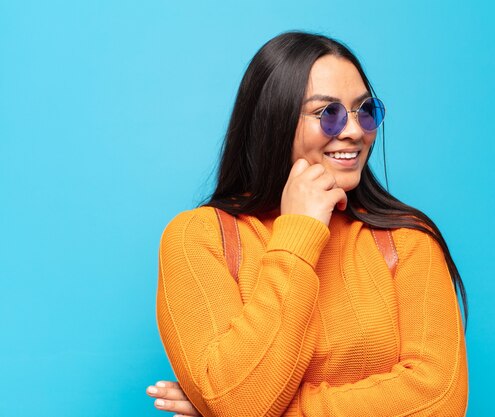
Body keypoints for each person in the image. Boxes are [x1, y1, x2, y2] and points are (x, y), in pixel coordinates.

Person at [147, 31, 468, 417]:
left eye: (365, 110)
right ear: (273, 121)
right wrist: (299, 231)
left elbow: (439, 400)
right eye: (327, 114)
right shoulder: (196, 239)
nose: (353, 130)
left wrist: (269, 411)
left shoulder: (408, 240)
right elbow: (237, 401)